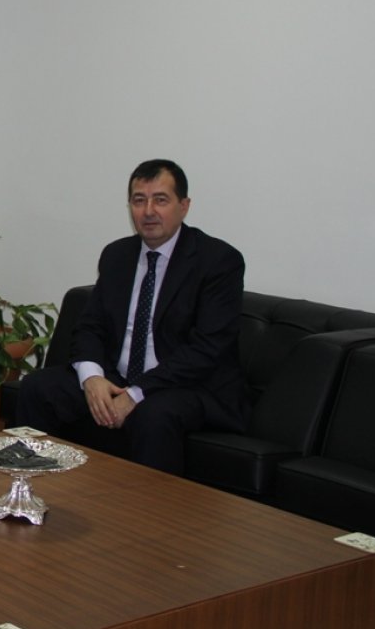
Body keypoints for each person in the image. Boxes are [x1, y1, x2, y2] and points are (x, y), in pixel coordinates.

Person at [15, 159, 246, 474]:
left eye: (160, 200)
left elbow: (206, 349)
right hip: (119, 378)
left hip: (188, 387)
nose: (148, 211)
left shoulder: (218, 261)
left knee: (152, 414)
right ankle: (29, 486)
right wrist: (92, 378)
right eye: (139, 200)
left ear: (184, 206)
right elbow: (90, 326)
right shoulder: (117, 255)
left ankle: (149, 506)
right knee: (38, 387)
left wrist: (136, 393)